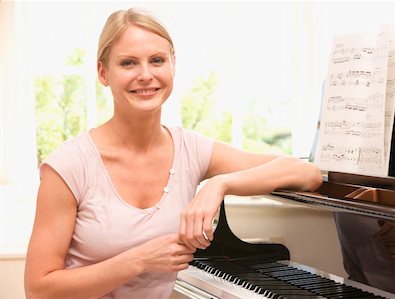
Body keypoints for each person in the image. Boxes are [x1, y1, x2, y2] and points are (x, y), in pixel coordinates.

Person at [24, 7, 323, 299]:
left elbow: (305, 173)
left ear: (173, 66)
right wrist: (138, 260)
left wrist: (219, 185)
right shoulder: (67, 166)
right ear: (103, 72)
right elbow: (38, 289)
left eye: (157, 60)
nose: (145, 75)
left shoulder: (191, 150)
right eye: (128, 63)